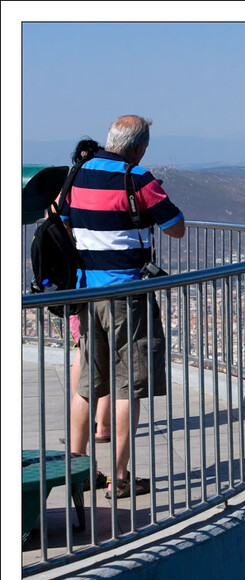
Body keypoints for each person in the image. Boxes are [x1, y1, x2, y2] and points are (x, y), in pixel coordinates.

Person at [62, 115, 185, 498]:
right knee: (127, 387)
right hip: (126, 297)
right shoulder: (138, 177)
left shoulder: (78, 173)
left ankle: (80, 469)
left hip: (85, 293)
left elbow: (63, 218)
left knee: (87, 386)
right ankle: (120, 478)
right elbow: (176, 226)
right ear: (138, 147)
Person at [67, 138, 111, 443]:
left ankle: (78, 440)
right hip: (109, 285)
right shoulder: (106, 185)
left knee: (81, 358)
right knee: (111, 369)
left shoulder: (69, 188)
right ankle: (103, 426)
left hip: (77, 287)